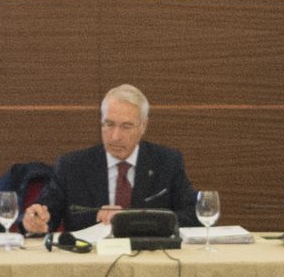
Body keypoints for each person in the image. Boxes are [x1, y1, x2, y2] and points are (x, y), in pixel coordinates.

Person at [25, 84, 199, 237]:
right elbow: (46, 216)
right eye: (109, 124)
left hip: (149, 257)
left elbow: (194, 215)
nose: (115, 136)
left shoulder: (167, 162)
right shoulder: (72, 166)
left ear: (143, 126)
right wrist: (35, 221)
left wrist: (134, 220)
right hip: (89, 259)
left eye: (126, 126)